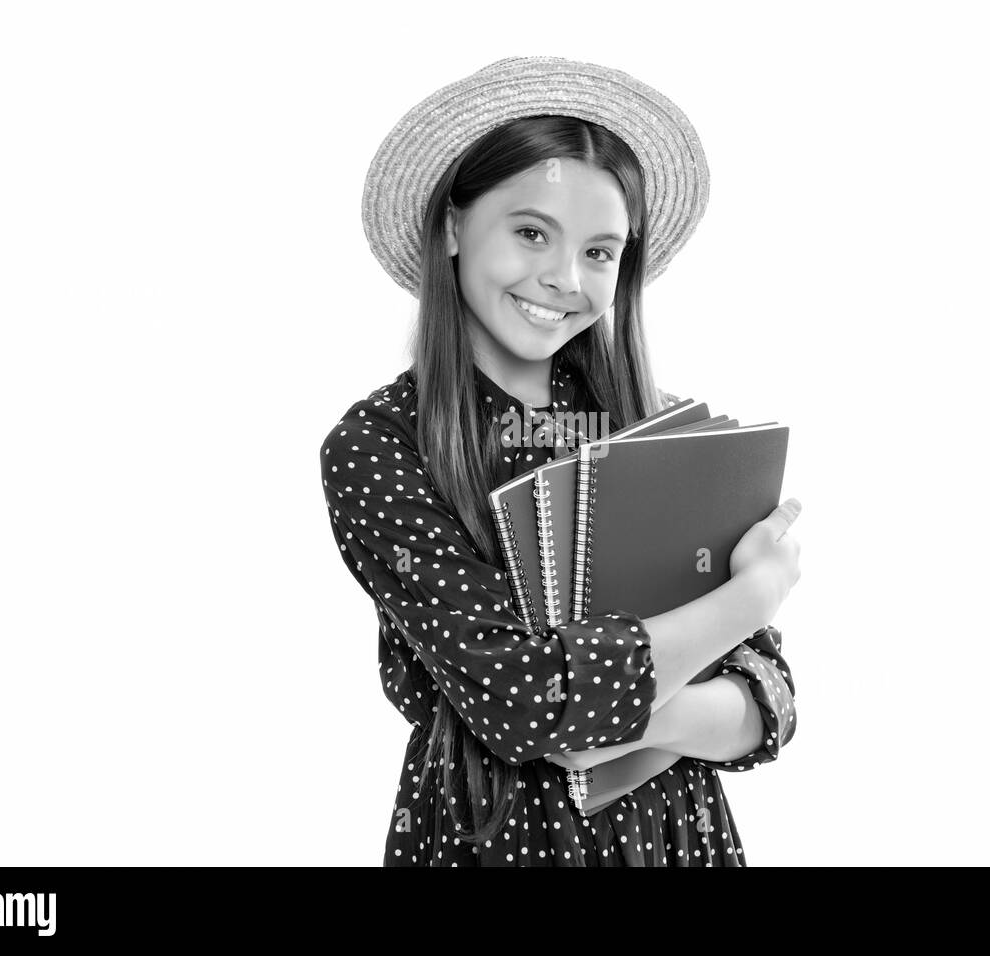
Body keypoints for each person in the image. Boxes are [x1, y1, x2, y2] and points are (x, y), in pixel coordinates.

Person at [320, 56, 802, 866]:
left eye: (600, 252)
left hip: (677, 837)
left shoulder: (656, 425)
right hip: (496, 837)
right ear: (451, 226)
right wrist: (750, 596)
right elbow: (523, 704)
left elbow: (771, 702)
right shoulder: (380, 446)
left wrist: (633, 713)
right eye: (532, 232)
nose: (563, 279)